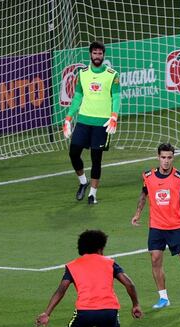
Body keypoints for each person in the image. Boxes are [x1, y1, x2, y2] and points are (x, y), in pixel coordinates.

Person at [130, 142, 180, 309]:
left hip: (175, 226)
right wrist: (138, 213)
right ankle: (163, 298)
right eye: (163, 157)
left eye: (169, 158)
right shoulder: (148, 176)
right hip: (156, 226)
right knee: (155, 259)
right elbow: (143, 195)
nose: (166, 161)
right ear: (158, 157)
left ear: (173, 158)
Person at [62, 41, 120, 205]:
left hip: (102, 123)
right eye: (94, 53)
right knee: (73, 153)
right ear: (90, 54)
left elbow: (116, 97)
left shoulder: (112, 75)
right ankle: (82, 182)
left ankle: (92, 194)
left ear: (103, 55)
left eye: (100, 53)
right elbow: (78, 96)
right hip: (83, 121)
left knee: (96, 159)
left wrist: (114, 116)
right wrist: (68, 117)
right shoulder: (83, 73)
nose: (97, 56)